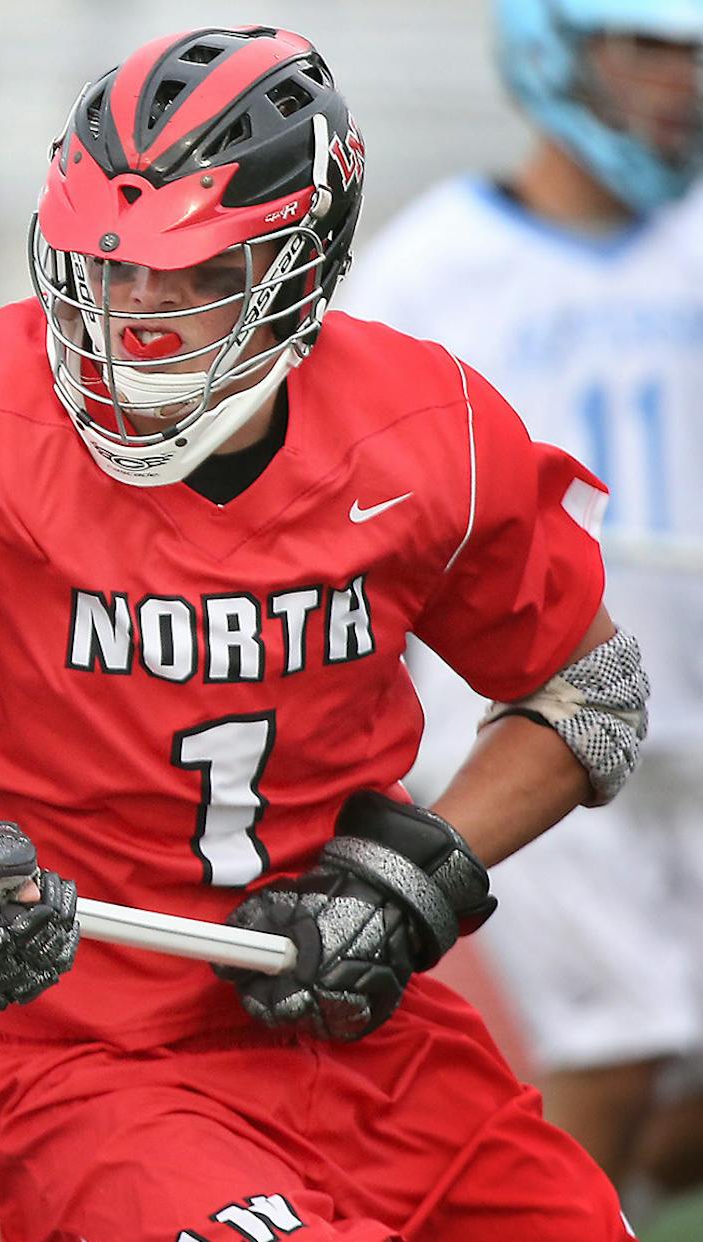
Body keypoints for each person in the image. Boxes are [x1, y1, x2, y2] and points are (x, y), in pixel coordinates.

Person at [0, 24, 648, 1239]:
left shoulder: (422, 425)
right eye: (107, 270)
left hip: (373, 1039)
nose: (137, 322)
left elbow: (587, 692)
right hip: (103, 1069)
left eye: (195, 275)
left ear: (303, 261)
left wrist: (418, 873)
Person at [341, 0, 703, 1205]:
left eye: (692, 56)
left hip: (696, 726)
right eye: (645, 48)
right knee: (610, 1052)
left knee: (675, 1096)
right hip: (546, 717)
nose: (675, 82)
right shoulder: (435, 268)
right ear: (559, 45)